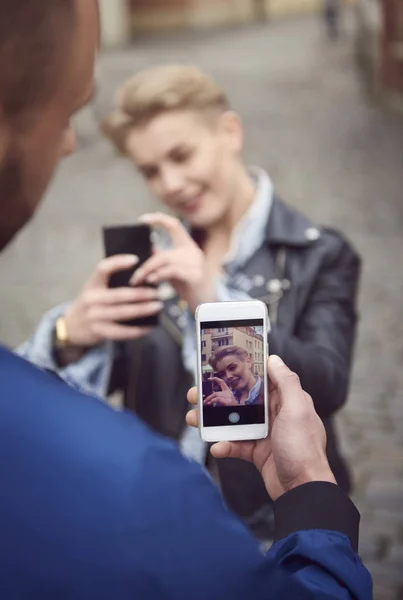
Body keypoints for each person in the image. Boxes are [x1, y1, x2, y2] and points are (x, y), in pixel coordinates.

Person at [0, 1, 372, 596]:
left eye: (181, 156)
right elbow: (68, 408)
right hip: (172, 530)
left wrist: (214, 302)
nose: (171, 184)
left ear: (229, 132)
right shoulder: (154, 260)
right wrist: (72, 334)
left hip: (270, 524)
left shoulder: (318, 252)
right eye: (151, 171)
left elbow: (327, 381)